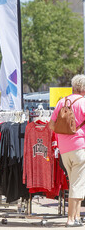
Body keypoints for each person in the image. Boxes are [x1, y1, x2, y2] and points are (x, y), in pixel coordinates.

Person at [49, 74, 85, 227]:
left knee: (74, 184)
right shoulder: (83, 102)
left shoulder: (62, 102)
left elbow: (51, 125)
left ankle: (76, 217)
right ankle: (71, 219)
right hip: (80, 147)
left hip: (64, 149)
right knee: (77, 185)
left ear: (73, 87)